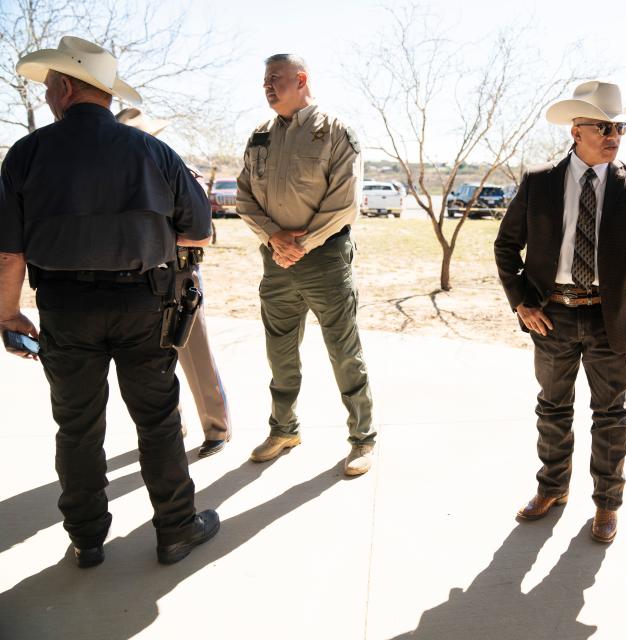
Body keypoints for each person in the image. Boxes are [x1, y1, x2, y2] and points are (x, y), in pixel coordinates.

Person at [0, 36, 220, 567]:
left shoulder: (27, 153)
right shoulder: (155, 152)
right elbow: (201, 233)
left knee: (77, 426)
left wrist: (7, 313)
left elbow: (9, 253)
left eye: (51, 84)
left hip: (65, 309)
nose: (49, 94)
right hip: (144, 306)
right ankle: (175, 531)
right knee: (157, 419)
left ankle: (87, 539)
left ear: (67, 87)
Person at [494, 81, 626, 543]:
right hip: (551, 316)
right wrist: (522, 301)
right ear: (576, 131)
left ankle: (606, 504)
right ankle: (552, 489)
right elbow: (506, 246)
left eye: (619, 127)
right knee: (552, 408)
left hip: (609, 318)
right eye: (603, 127)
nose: (614, 135)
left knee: (611, 414)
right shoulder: (539, 182)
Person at [237, 53, 375, 474]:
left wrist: (302, 243)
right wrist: (274, 238)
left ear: (301, 79)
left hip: (325, 259)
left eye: (274, 78)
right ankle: (284, 429)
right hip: (276, 260)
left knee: (343, 350)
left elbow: (344, 203)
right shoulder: (260, 136)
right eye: (264, 79)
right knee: (279, 350)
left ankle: (363, 439)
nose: (267, 85)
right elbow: (244, 196)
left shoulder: (334, 131)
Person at [117, 107, 232, 458]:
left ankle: (217, 429)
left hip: (179, 275)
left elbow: (202, 233)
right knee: (150, 364)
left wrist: (156, 237)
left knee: (195, 355)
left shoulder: (177, 170)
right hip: (136, 280)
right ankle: (170, 428)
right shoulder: (118, 179)